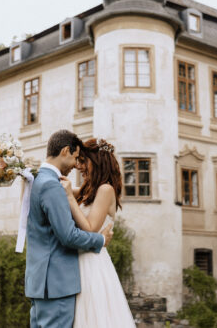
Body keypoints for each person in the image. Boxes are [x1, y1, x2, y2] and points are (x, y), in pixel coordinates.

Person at [25, 129, 114, 328]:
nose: (77, 165)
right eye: (76, 158)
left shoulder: (39, 180)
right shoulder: (51, 185)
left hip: (41, 282)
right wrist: (101, 240)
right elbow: (68, 235)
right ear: (65, 151)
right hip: (56, 284)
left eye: (82, 161)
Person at [59, 138, 136, 327]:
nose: (79, 166)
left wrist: (69, 196)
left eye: (84, 161)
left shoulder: (106, 189)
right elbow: (59, 189)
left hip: (92, 263)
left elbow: (91, 228)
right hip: (79, 260)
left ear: (98, 161)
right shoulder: (89, 190)